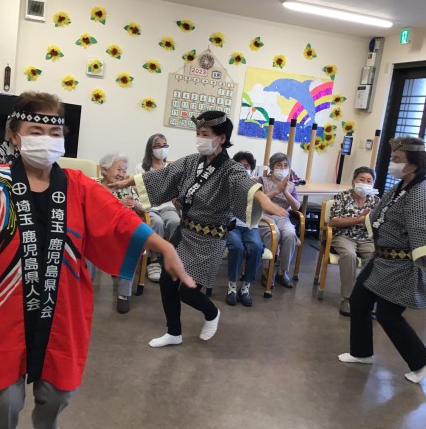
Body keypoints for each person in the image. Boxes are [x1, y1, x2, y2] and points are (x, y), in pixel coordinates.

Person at [0, 91, 194, 429]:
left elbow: (119, 221)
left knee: (58, 395)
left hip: (61, 312)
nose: (47, 140)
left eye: (54, 133)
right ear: (15, 136)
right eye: (36, 132)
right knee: (3, 402)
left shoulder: (79, 186)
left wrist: (165, 248)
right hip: (2, 314)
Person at [112, 111, 287, 348]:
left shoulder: (231, 169)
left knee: (187, 291)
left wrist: (265, 201)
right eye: (198, 133)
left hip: (209, 239)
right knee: (166, 281)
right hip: (184, 231)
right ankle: (174, 332)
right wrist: (126, 181)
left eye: (205, 134)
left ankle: (212, 313)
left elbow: (246, 186)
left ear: (221, 138)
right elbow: (163, 175)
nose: (199, 138)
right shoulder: (192, 161)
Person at [338, 137, 426, 384]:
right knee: (359, 301)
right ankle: (361, 352)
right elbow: (380, 213)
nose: (392, 164)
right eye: (392, 158)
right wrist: (368, 218)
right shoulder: (402, 186)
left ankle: (422, 362)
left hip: (402, 265)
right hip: (381, 259)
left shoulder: (422, 191)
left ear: (413, 164)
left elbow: (424, 224)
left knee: (388, 315)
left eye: (397, 160)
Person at [98, 152, 164, 314]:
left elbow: (145, 209)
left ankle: (123, 294)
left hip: (124, 231)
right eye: (118, 169)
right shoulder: (94, 186)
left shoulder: (127, 187)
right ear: (105, 170)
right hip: (100, 232)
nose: (122, 174)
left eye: (124, 170)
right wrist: (118, 204)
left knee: (133, 245)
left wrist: (135, 204)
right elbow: (94, 210)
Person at [329, 166, 379, 316]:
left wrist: (370, 221)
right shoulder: (343, 196)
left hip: (366, 239)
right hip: (344, 236)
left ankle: (366, 298)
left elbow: (380, 224)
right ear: (353, 182)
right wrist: (358, 219)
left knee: (375, 259)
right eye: (361, 179)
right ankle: (347, 298)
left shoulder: (376, 201)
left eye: (369, 181)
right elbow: (333, 221)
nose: (365, 183)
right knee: (349, 256)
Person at [134, 134, 181, 282]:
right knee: (157, 222)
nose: (162, 149)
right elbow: (140, 192)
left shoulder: (170, 168)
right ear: (150, 149)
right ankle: (153, 260)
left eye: (164, 145)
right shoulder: (141, 167)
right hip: (149, 207)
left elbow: (174, 193)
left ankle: (171, 258)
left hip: (167, 206)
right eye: (158, 146)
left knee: (175, 222)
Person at [225, 151, 265, 307]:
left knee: (257, 247)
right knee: (236, 247)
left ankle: (245, 288)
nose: (243, 169)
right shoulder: (227, 184)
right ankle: (232, 287)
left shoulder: (256, 185)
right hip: (232, 224)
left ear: (251, 169)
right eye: (240, 166)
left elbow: (261, 204)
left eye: (246, 166)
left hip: (250, 225)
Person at [258, 152, 300, 289]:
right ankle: (267, 271)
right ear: (272, 167)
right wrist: (277, 190)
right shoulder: (262, 180)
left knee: (290, 234)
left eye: (285, 165)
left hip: (283, 217)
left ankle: (282, 272)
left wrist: (285, 191)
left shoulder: (291, 185)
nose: (282, 168)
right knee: (273, 233)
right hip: (264, 215)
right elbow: (258, 201)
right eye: (279, 165)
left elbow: (296, 207)